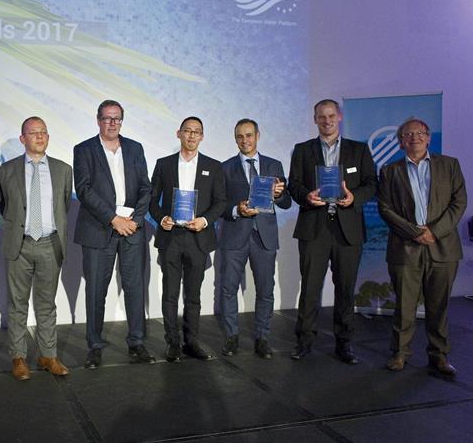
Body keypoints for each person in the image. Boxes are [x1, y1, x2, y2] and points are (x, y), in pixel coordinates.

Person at [287, 99, 377, 363]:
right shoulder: (302, 150)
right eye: (321, 117)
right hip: (314, 228)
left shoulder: (358, 150)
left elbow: (372, 183)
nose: (326, 121)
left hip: (347, 230)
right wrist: (307, 196)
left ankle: (344, 343)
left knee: (346, 289)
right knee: (310, 289)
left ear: (339, 117)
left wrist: (354, 198)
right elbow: (294, 185)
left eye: (330, 116)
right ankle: (304, 342)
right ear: (315, 119)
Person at [378, 118, 466, 377]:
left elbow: (459, 202)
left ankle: (439, 356)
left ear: (428, 138)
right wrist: (415, 232)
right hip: (405, 247)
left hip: (443, 248)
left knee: (439, 307)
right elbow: (385, 208)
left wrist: (434, 231)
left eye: (420, 133)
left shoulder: (449, 165)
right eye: (407, 134)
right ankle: (400, 354)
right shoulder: (389, 171)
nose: (414, 137)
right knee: (404, 306)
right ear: (400, 141)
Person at [74, 99, 154, 368]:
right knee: (97, 289)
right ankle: (94, 345)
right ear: (98, 120)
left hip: (132, 228)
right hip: (99, 229)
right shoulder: (83, 149)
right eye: (107, 118)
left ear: (122, 120)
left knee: (134, 288)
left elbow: (146, 187)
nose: (112, 123)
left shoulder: (134, 148)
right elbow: (84, 190)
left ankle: (137, 343)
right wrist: (113, 219)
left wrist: (135, 219)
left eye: (117, 118)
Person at [0, 117, 73, 380]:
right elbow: (5, 206)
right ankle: (18, 357)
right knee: (17, 304)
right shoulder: (7, 170)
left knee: (46, 305)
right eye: (33, 133)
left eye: (43, 132)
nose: (40, 137)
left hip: (50, 244)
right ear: (23, 139)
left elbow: (64, 206)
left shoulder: (64, 170)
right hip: (19, 244)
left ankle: (48, 356)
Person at [149, 117, 226, 362]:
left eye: (197, 132)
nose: (192, 136)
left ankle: (191, 341)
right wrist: (161, 219)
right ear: (178, 134)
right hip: (171, 237)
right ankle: (172, 343)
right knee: (170, 294)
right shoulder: (164, 165)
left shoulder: (214, 166)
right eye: (187, 131)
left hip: (198, 238)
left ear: (202, 136)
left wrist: (205, 220)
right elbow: (151, 200)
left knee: (193, 295)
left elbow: (221, 202)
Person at [219, 119, 291, 359]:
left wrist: (280, 195)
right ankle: (231, 337)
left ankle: (262, 337)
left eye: (249, 135)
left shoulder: (274, 165)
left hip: (265, 237)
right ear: (235, 138)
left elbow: (287, 202)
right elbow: (218, 205)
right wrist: (235, 210)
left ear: (258, 135)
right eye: (239, 136)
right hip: (235, 235)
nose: (244, 140)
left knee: (265, 290)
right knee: (228, 289)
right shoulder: (225, 168)